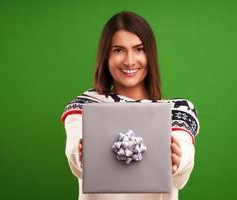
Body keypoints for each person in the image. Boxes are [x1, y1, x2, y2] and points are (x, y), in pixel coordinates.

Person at [61, 11, 200, 200]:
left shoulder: (177, 110)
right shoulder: (86, 106)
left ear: (150, 54)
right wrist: (82, 154)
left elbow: (184, 156)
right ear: (106, 57)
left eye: (139, 49)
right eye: (118, 50)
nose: (129, 61)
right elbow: (75, 155)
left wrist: (178, 158)